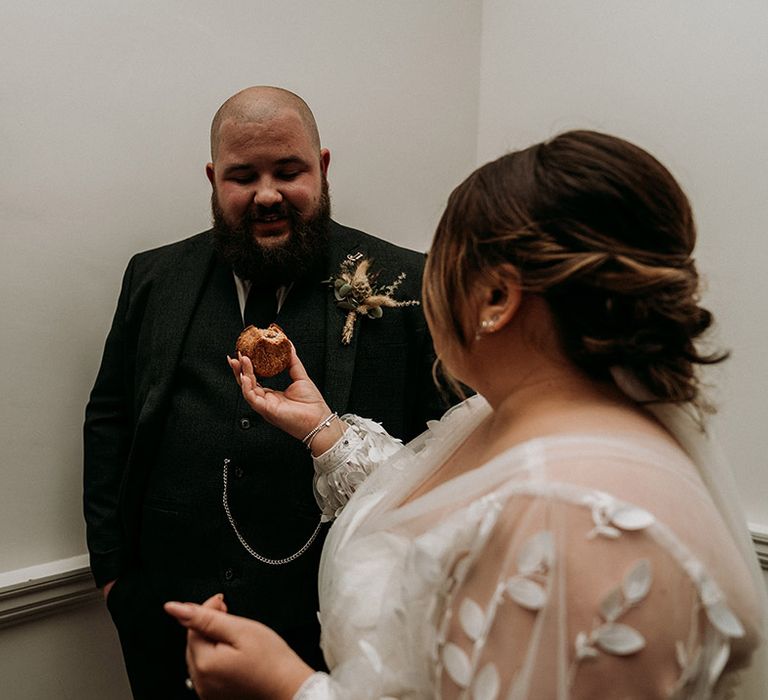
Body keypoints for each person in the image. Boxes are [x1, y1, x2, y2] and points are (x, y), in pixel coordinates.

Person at [165, 130, 768, 699]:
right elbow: (437, 510)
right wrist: (323, 428)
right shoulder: (498, 413)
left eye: (444, 263)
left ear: (499, 298)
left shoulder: (575, 522)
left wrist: (287, 688)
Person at [83, 86, 447, 699]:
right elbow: (110, 419)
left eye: (288, 171)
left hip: (328, 632)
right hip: (165, 621)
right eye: (243, 176)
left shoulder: (407, 283)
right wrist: (115, 579)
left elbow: (442, 459)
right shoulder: (152, 276)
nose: (268, 194)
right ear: (213, 179)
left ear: (323, 167)